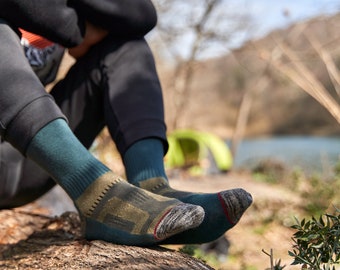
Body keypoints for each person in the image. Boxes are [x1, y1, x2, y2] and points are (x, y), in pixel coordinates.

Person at [0, 0, 252, 246]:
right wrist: (80, 30)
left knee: (126, 46)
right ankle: (96, 194)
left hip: (28, 161)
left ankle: (153, 186)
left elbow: (142, 14)